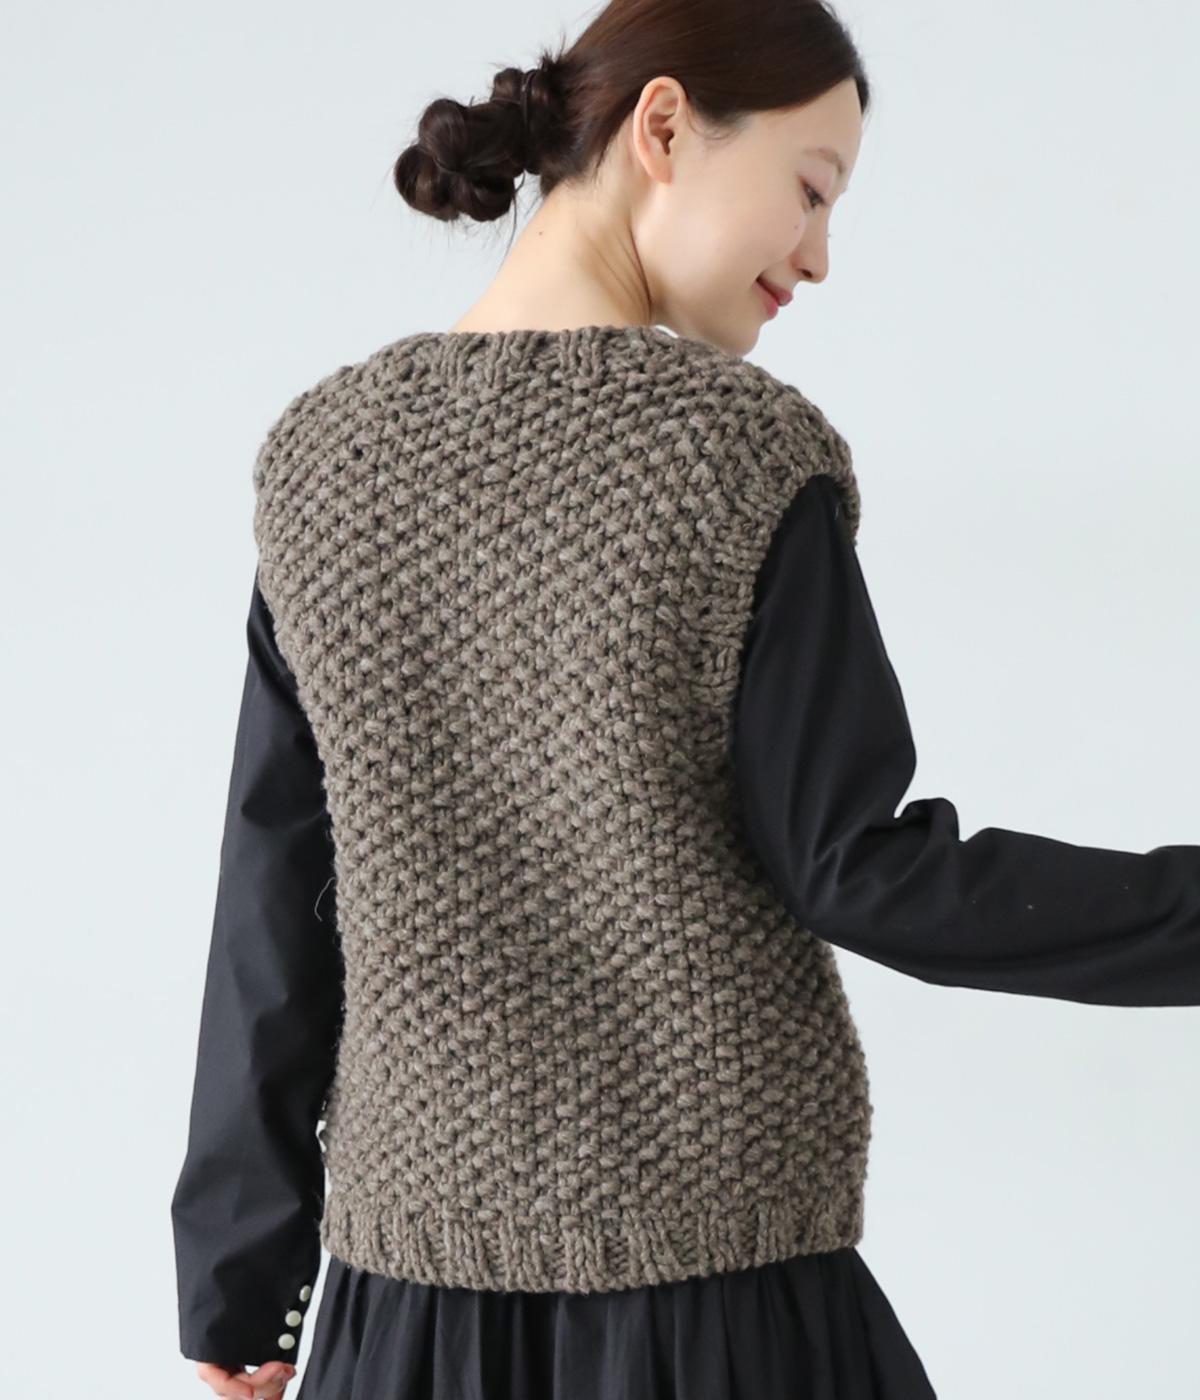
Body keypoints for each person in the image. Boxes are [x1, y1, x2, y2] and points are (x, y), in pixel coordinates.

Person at [170, 3, 1200, 1398]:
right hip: (712, 1313)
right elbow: (860, 869)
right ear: (663, 127)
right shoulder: (734, 459)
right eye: (812, 190)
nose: (819, 256)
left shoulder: (324, 466)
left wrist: (240, 1280)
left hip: (406, 1323)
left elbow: (275, 894)